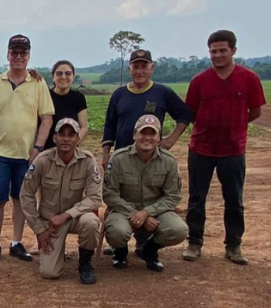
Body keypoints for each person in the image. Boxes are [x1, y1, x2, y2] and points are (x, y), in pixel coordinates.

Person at [182, 30, 266, 265]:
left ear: (233, 51)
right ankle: (194, 242)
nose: (217, 55)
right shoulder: (199, 81)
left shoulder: (248, 78)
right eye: (213, 51)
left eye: (222, 50)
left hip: (233, 150)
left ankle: (234, 246)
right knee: (197, 198)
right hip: (201, 148)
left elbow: (255, 111)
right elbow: (192, 112)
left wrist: (235, 124)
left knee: (234, 200)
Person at [0, 34, 53, 263]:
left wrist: (38, 147)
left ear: (29, 56)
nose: (18, 56)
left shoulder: (38, 83)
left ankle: (16, 242)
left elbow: (47, 118)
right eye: (15, 52)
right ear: (8, 55)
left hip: (26, 155)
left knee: (21, 199)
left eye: (23, 52)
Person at [19, 119, 102, 284]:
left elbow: (95, 198)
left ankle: (85, 264)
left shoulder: (87, 160)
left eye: (71, 135)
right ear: (54, 138)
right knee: (49, 273)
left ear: (78, 139)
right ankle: (57, 254)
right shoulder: (42, 161)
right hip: (50, 224)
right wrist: (39, 229)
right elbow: (26, 194)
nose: (66, 139)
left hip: (75, 218)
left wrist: (66, 215)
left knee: (91, 222)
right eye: (61, 134)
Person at [103, 115, 188, 272]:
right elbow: (109, 194)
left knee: (179, 230)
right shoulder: (118, 158)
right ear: (134, 135)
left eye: (152, 134)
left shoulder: (169, 161)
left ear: (159, 138)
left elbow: (173, 197)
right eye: (143, 133)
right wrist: (136, 214)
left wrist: (147, 213)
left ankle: (149, 249)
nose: (147, 138)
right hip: (124, 210)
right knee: (117, 231)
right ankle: (120, 252)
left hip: (156, 211)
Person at [100, 49, 192, 172]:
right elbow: (110, 126)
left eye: (144, 67)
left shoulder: (162, 92)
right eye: (135, 67)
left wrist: (170, 140)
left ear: (152, 68)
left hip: (152, 157)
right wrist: (106, 153)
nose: (139, 71)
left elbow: (185, 114)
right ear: (129, 69)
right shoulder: (119, 94)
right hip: (123, 157)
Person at [44, 60, 89, 150]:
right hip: (46, 151)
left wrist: (71, 145)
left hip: (70, 152)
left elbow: (84, 127)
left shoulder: (78, 98)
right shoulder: (45, 96)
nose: (63, 77)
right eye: (59, 74)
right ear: (53, 76)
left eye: (68, 74)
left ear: (73, 77)